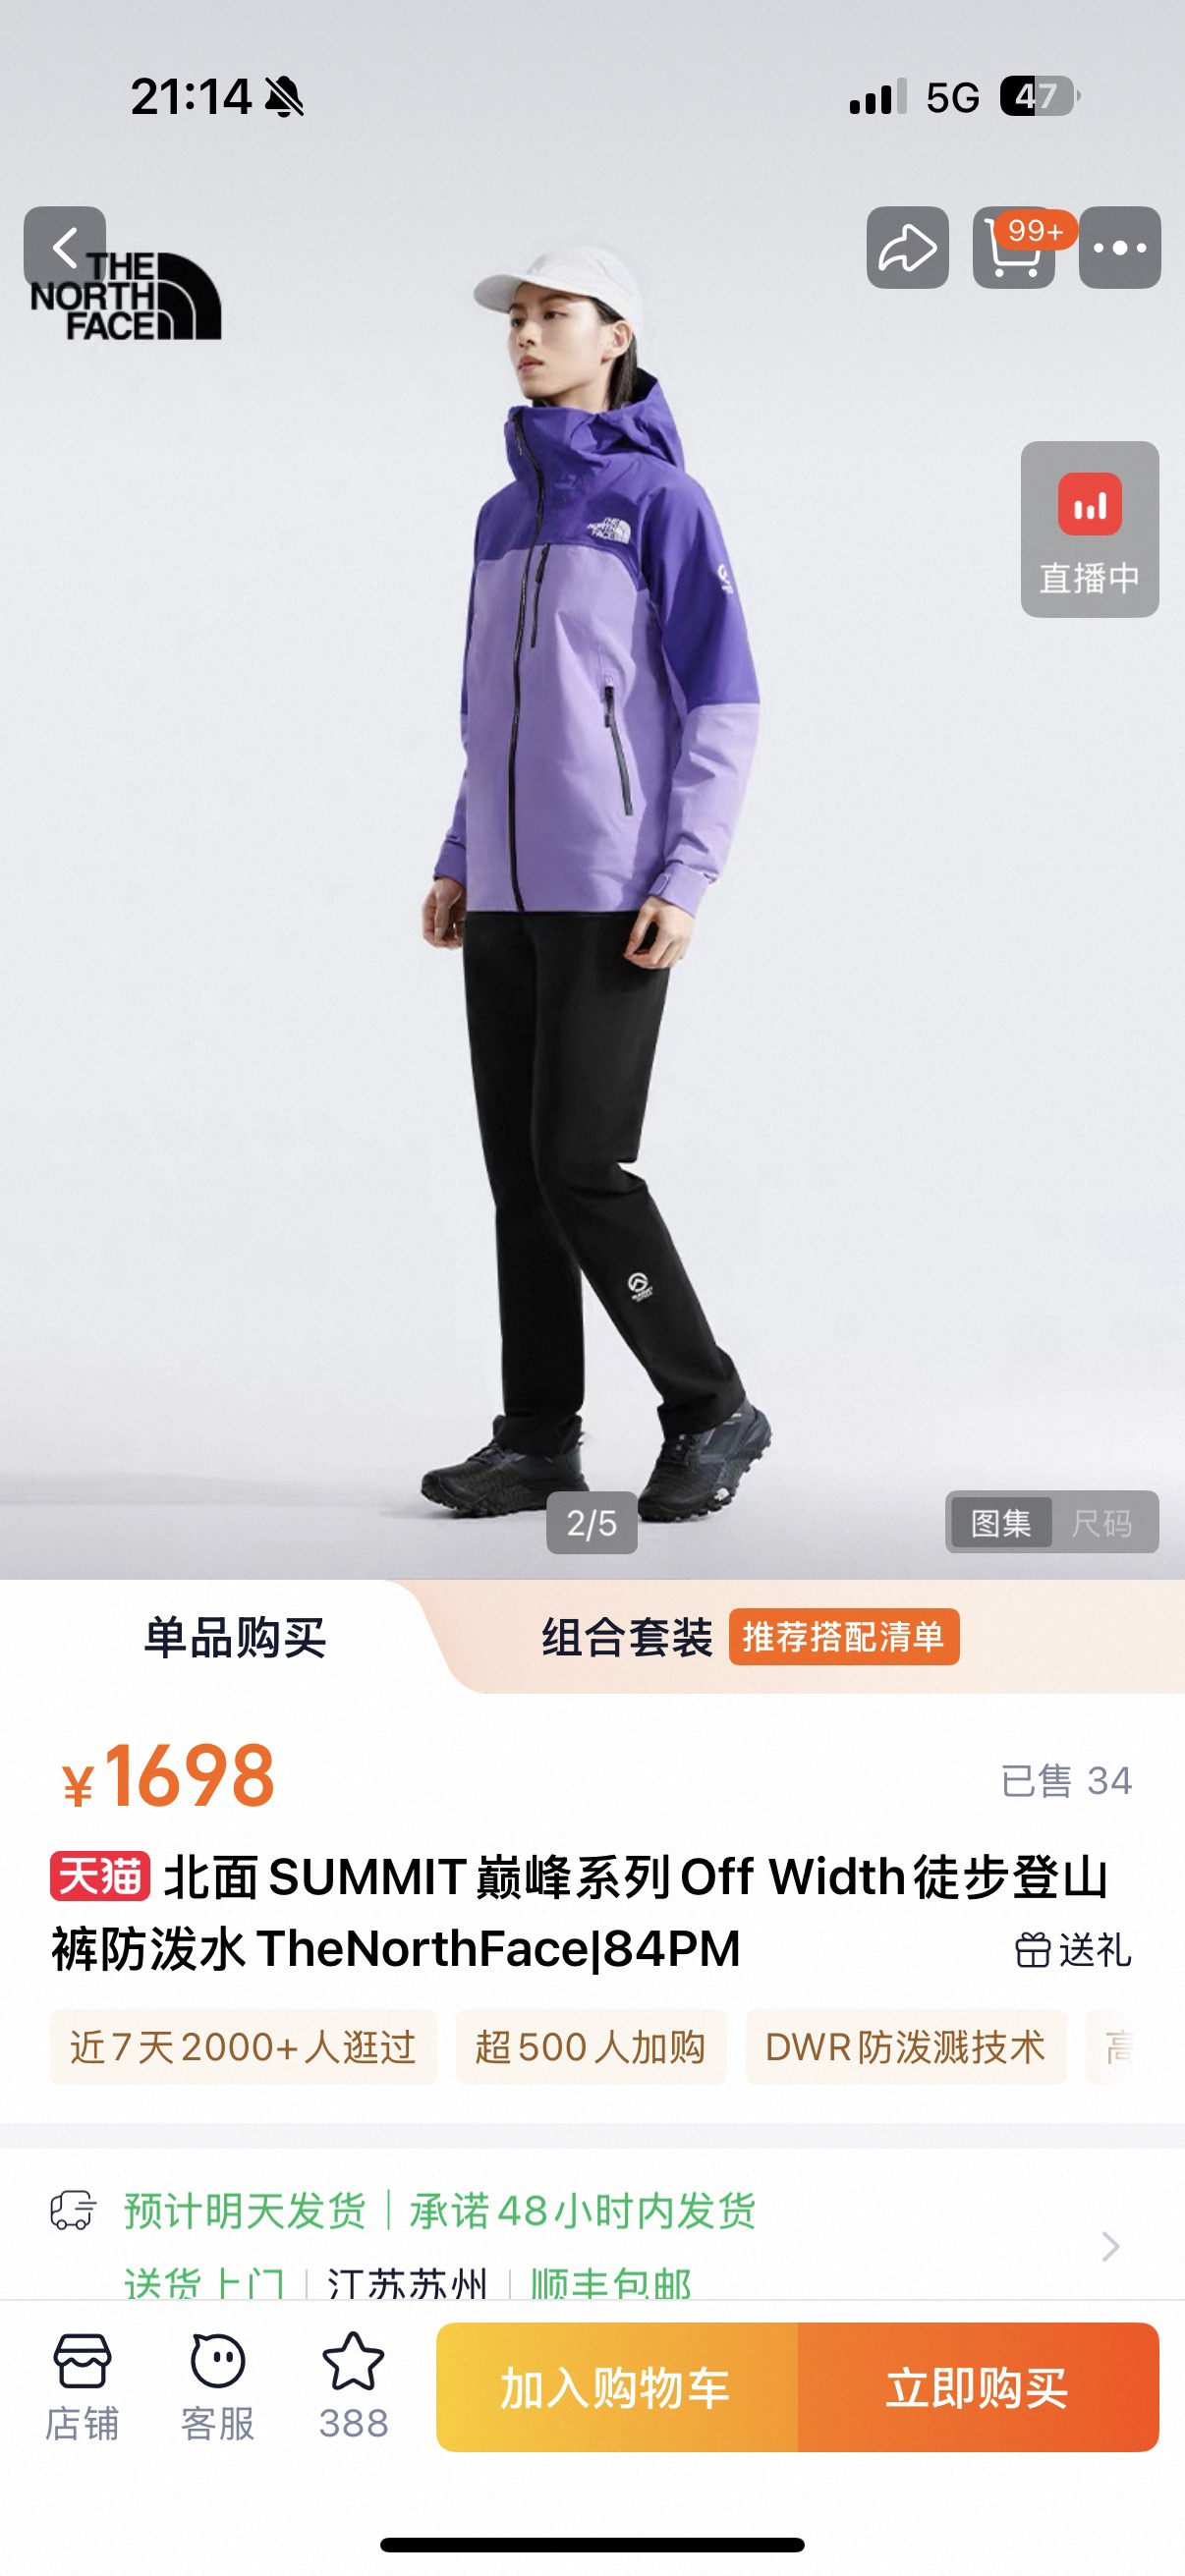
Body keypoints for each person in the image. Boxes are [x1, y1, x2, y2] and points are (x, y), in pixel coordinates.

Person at [421, 244, 769, 1522]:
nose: (526, 335)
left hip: (616, 887)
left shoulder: (663, 503)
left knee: (581, 1165)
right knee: (520, 1176)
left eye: (552, 314)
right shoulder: (500, 517)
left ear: (615, 334)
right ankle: (535, 1440)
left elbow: (723, 701)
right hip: (507, 896)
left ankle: (709, 1407)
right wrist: (461, 853)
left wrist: (687, 870)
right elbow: (494, 719)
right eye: (516, 317)